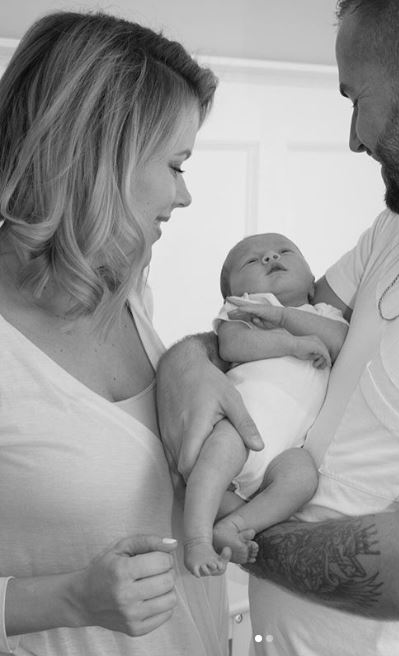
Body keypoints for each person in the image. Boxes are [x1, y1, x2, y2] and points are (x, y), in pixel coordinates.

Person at [156, 0, 399, 654]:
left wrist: (236, 534)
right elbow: (269, 319)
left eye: (355, 97)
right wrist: (185, 363)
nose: (354, 137)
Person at [0, 10, 228, 656]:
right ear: (104, 157)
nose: (183, 196)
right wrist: (71, 598)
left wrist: (193, 355)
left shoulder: (125, 290)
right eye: (176, 164)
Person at [181, 232, 348, 577]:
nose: (271, 258)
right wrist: (289, 344)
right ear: (234, 294)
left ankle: (236, 524)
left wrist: (287, 318)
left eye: (284, 251)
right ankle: (196, 540)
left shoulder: (323, 313)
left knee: (303, 478)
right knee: (212, 463)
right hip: (241, 424)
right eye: (252, 261)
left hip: (285, 449)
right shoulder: (247, 309)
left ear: (313, 284)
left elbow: (338, 340)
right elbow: (232, 345)